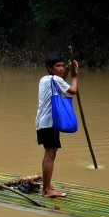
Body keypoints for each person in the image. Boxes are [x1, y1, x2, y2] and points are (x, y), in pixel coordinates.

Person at [35, 55, 79, 198]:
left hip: (42, 122)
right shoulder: (56, 80)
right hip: (51, 123)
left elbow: (60, 81)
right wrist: (75, 76)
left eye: (62, 65)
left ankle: (47, 184)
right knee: (50, 155)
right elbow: (72, 90)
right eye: (58, 66)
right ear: (50, 68)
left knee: (49, 154)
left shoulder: (45, 79)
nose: (61, 68)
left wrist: (67, 68)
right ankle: (47, 190)